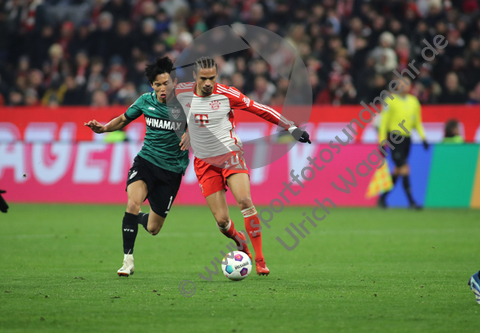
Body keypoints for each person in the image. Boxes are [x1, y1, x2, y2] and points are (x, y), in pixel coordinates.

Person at [176, 57, 311, 276]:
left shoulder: (227, 94)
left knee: (245, 201)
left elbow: (260, 109)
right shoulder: (182, 93)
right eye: (204, 78)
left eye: (212, 77)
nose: (208, 82)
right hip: (204, 162)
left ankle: (259, 260)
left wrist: (291, 127)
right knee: (221, 221)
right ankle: (241, 243)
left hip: (230, 153)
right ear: (194, 77)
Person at [84, 57, 189, 276]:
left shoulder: (186, 105)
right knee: (132, 202)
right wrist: (103, 129)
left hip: (171, 171)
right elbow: (123, 119)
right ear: (152, 86)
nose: (162, 88)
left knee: (153, 228)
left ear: (174, 83)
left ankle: (141, 217)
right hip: (146, 162)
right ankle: (127, 261)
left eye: (166, 83)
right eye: (157, 84)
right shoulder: (144, 101)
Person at [378, 76, 428, 209]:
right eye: (402, 84)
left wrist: (423, 138)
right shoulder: (390, 100)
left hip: (407, 139)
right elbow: (384, 122)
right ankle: (411, 201)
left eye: (407, 84)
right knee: (404, 167)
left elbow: (417, 122)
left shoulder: (414, 101)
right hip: (395, 138)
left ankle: (383, 198)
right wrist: (382, 141)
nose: (405, 86)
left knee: (398, 170)